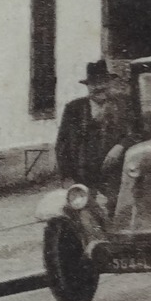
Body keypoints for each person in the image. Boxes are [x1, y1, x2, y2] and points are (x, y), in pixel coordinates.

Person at [54, 59, 130, 198]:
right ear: (88, 86)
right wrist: (67, 177)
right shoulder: (74, 109)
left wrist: (121, 146)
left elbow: (137, 133)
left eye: (103, 82)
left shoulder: (123, 105)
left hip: (116, 176)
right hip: (83, 177)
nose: (99, 87)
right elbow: (62, 145)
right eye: (94, 83)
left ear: (110, 83)